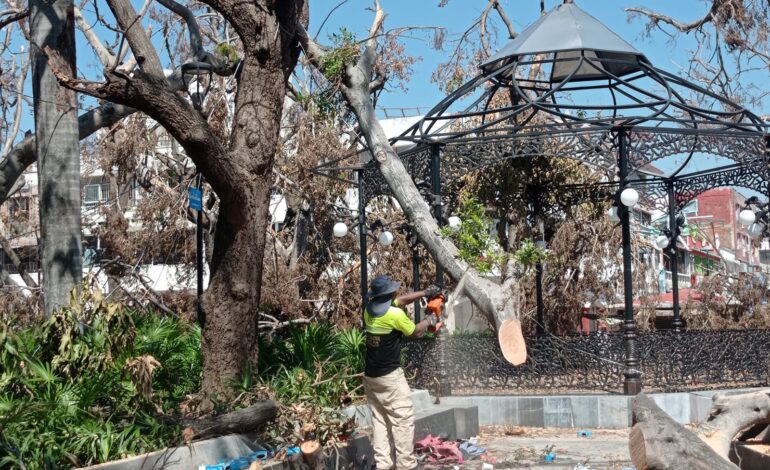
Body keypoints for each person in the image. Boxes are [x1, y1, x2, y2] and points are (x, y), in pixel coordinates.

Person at [363, 274, 441, 470]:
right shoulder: (395, 315)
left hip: (371, 377)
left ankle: (383, 465)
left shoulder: (369, 310)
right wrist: (430, 319)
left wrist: (426, 292)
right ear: (389, 293)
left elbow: (399, 300)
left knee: (380, 421)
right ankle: (406, 465)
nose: (396, 292)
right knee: (403, 420)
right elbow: (415, 331)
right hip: (390, 378)